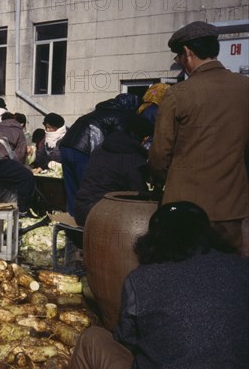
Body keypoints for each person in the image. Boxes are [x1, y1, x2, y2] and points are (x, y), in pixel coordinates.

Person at [65, 201, 249, 369]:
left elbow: (125, 340)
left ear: (153, 241)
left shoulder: (141, 280)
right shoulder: (243, 269)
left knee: (93, 339)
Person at [148, 21, 249, 255]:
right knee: (226, 276)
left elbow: (160, 156)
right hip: (231, 207)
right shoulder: (245, 87)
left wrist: (160, 181)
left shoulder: (178, 94)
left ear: (187, 53)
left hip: (185, 210)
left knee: (183, 274)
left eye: (179, 57)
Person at [59, 93, 139, 215]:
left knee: (71, 188)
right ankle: (88, 220)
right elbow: (120, 141)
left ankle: (72, 218)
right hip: (83, 150)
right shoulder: (121, 116)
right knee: (87, 189)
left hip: (66, 146)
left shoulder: (97, 112)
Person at [73, 115, 153, 226]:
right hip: (101, 215)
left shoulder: (101, 148)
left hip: (80, 209)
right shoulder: (133, 158)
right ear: (144, 138)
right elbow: (140, 194)